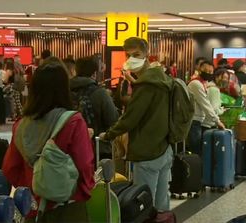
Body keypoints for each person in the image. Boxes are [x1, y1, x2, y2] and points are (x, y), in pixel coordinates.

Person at [2, 61, 95, 222]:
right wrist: (82, 191)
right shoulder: (73, 122)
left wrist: (33, 189)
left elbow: (10, 168)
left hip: (33, 209)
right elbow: (85, 165)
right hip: (67, 207)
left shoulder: (21, 125)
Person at [100, 37, 173, 211]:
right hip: (164, 147)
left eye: (137, 54)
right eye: (129, 55)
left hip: (147, 151)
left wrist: (109, 134)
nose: (132, 58)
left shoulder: (146, 85)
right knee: (161, 203)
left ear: (147, 54)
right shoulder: (161, 79)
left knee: (144, 204)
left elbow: (131, 118)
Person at [70, 56, 119, 158]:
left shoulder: (66, 92)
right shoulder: (100, 93)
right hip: (98, 148)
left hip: (71, 148)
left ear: (76, 71)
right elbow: (113, 119)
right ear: (94, 74)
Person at [188, 61, 225, 155]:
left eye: (211, 71)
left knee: (200, 150)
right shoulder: (196, 84)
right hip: (193, 121)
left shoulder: (204, 83)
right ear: (200, 70)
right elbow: (205, 104)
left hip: (198, 121)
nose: (208, 73)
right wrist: (217, 121)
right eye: (206, 71)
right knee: (196, 151)